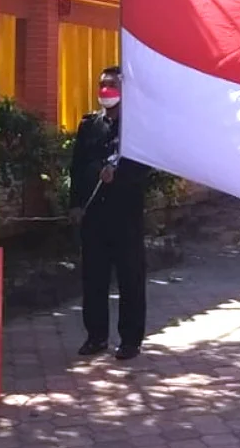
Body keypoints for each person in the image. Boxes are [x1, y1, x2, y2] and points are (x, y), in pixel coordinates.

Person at [70, 65, 152, 360]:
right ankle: (96, 336)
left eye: (113, 85)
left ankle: (130, 340)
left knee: (130, 279)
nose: (106, 90)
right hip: (94, 217)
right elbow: (77, 167)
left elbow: (144, 169)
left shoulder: (136, 128)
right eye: (102, 85)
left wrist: (119, 175)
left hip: (125, 216)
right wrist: (75, 204)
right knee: (93, 279)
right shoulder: (89, 125)